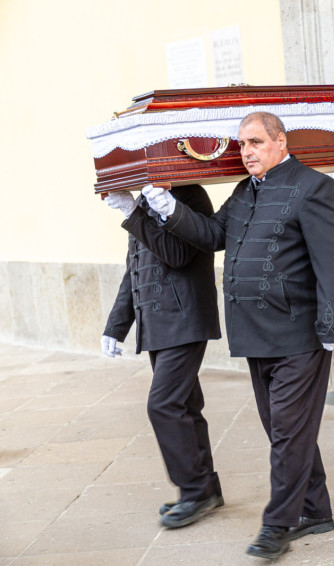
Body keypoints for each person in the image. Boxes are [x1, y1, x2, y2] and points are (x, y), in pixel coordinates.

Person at [144, 111, 334, 560]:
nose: (247, 152)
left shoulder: (315, 186)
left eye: (256, 142)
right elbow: (212, 234)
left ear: (280, 141)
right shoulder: (244, 191)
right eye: (242, 144)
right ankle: (315, 510)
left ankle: (278, 524)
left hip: (299, 335)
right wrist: (165, 206)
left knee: (288, 432)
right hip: (255, 335)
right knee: (284, 430)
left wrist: (333, 325)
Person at [102, 185, 222, 529]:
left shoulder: (190, 197)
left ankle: (195, 492)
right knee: (185, 406)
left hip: (184, 319)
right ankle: (206, 488)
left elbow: (177, 254)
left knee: (164, 405)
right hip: (158, 324)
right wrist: (115, 327)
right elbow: (134, 267)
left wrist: (132, 214)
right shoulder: (144, 200)